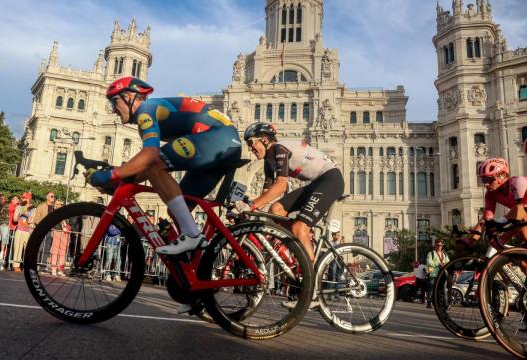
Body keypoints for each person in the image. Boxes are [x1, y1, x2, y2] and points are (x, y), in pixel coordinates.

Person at [85, 76, 242, 256]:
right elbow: (147, 165)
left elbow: (150, 158)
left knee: (155, 165)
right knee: (176, 208)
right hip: (223, 144)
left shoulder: (145, 109)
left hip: (218, 138)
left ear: (129, 96)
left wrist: (111, 175)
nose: (113, 109)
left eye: (115, 101)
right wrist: (121, 181)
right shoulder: (149, 112)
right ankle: (194, 266)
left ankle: (191, 234)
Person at [241, 122, 344, 308]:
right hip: (315, 184)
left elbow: (281, 185)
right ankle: (297, 246)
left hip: (331, 179)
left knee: (299, 227)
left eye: (251, 142)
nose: (249, 148)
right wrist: (249, 207)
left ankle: (311, 288)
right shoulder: (268, 161)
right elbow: (269, 194)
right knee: (276, 210)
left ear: (264, 139)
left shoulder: (279, 149)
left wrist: (253, 205)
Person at [12, 192, 35, 272]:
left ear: (28, 199)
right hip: (19, 229)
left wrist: (29, 218)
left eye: (24, 198)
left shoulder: (33, 208)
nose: (22, 199)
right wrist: (20, 214)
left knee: (28, 249)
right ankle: (16, 265)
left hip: (28, 231)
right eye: (22, 198)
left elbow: (32, 220)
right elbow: (14, 219)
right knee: (17, 247)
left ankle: (27, 266)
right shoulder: (19, 207)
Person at [426, 240, 449, 309]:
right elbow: (428, 262)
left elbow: (448, 262)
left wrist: (444, 264)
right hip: (434, 274)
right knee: (431, 289)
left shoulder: (444, 254)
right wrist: (438, 264)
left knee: (443, 289)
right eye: (438, 245)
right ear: (435, 246)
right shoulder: (431, 253)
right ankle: (429, 302)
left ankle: (445, 303)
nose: (439, 246)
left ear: (442, 246)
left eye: (441, 245)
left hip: (442, 274)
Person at [48, 199, 69, 276]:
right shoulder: (53, 213)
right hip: (57, 231)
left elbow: (67, 223)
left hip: (65, 233)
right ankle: (53, 268)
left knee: (63, 252)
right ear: (55, 205)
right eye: (58, 204)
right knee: (55, 250)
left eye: (61, 204)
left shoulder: (66, 213)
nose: (60, 206)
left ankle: (60, 269)